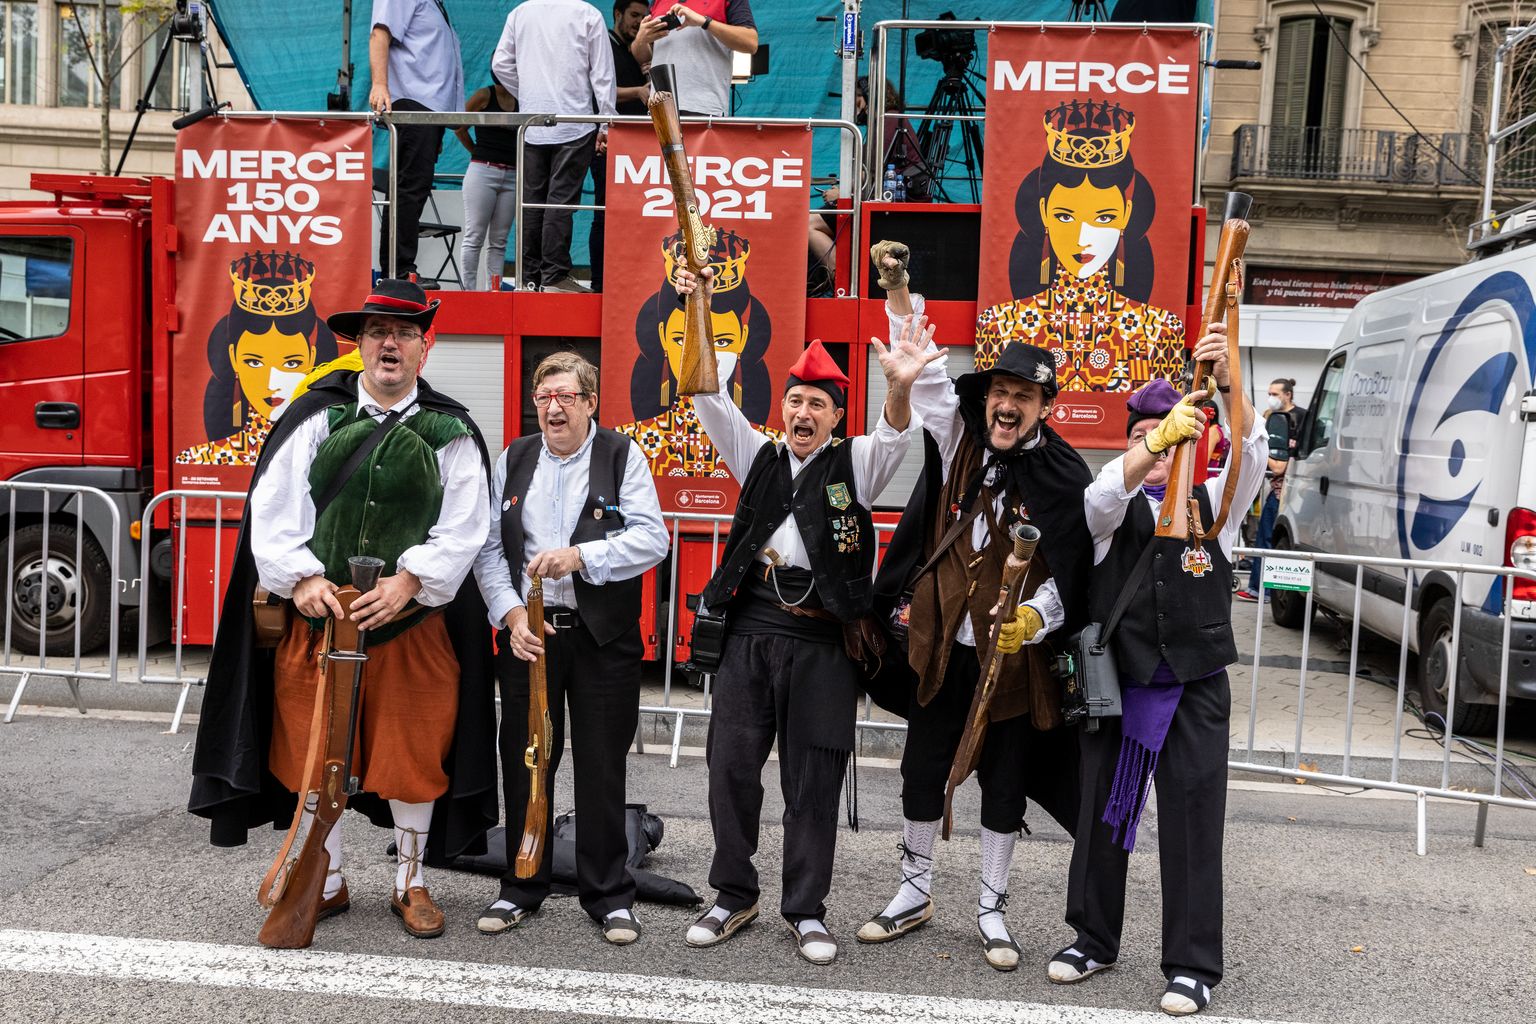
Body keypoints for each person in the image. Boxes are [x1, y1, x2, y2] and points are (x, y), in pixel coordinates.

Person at [188, 278, 497, 942]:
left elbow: (465, 527)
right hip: (320, 622)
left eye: (405, 333)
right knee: (309, 749)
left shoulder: (452, 430)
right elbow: (272, 515)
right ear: (358, 345)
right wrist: (300, 580)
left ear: (424, 346)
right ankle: (322, 880)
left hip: (410, 626)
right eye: (379, 332)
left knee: (413, 752)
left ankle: (409, 882)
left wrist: (412, 581)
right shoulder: (314, 417)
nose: (391, 344)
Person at [673, 262, 936, 966]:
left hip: (823, 638)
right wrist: (699, 306)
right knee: (730, 767)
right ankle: (732, 892)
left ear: (835, 416)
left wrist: (900, 389)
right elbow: (705, 393)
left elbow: (895, 435)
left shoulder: (858, 463)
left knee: (812, 780)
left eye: (817, 404)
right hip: (750, 627)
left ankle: (806, 909)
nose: (803, 414)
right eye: (795, 400)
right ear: (782, 406)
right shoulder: (755, 452)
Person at [856, 242, 1093, 971]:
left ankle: (991, 907)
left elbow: (1073, 568)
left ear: (1045, 407)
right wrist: (900, 291)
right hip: (941, 647)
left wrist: (1035, 621)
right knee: (922, 769)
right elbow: (918, 374)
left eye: (1024, 396)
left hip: (1014, 660)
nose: (1008, 404)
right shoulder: (961, 435)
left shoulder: (1063, 473)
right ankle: (914, 890)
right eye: (1000, 392)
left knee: (1005, 782)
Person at [1046, 333, 1266, 1016]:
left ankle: (1193, 966)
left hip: (1196, 683)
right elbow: (1097, 500)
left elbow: (1253, 455)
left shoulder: (1215, 504)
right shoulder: (1113, 507)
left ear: (1195, 438)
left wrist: (1229, 384)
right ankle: (1091, 938)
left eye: (1171, 432)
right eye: (1143, 434)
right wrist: (1149, 446)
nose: (1159, 445)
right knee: (1100, 819)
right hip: (1122, 680)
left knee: (1195, 823)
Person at [472, 351, 670, 944]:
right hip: (529, 635)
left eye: (565, 397)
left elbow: (652, 539)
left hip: (602, 637)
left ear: (589, 402)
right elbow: (488, 550)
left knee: (602, 765)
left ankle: (609, 895)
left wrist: (583, 556)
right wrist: (509, 615)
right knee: (526, 758)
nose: (552, 408)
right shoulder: (514, 458)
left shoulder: (622, 455)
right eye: (543, 398)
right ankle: (521, 883)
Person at [975, 100, 1184, 392]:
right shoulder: (999, 325)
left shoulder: (1161, 331)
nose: (1082, 237)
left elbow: (1168, 420)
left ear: (1125, 215)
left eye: (1104, 217)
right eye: (1065, 216)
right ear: (1044, 212)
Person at [491, 0, 617, 293]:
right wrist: (606, 122)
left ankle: (529, 276)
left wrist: (529, 93)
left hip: (533, 121)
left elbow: (500, 64)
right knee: (560, 202)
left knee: (532, 203)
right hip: (575, 122)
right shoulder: (587, 14)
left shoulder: (520, 13)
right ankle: (555, 275)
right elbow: (603, 75)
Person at [177, 251, 338, 465]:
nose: (272, 383)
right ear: (233, 358)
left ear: (312, 358)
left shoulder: (332, 455)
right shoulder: (204, 458)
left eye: (291, 363)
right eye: (254, 362)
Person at [369, 0, 464, 280]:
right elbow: (379, 34)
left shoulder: (437, 5)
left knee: (414, 187)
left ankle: (399, 270)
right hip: (413, 102)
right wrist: (380, 84)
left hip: (428, 109)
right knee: (408, 188)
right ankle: (399, 271)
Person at [590, 0, 651, 293]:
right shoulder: (605, 45)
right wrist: (638, 91)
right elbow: (596, 90)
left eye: (644, 16)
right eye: (634, 15)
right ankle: (600, 283)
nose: (639, 22)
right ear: (618, 14)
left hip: (641, 147)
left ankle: (632, 281)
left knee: (640, 216)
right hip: (610, 142)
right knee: (605, 213)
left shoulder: (640, 50)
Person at [1237, 378, 1306, 602]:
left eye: (1275, 394)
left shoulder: (1299, 418)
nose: (1271, 398)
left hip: (1288, 493)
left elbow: (1280, 464)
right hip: (1276, 490)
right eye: (1269, 393)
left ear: (1288, 395)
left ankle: (1264, 590)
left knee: (1270, 542)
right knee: (1264, 540)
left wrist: (1260, 450)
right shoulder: (1271, 417)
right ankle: (1260, 588)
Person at [630, 1, 757, 117]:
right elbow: (643, 58)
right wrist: (641, 39)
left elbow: (750, 42)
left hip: (705, 108)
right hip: (660, 108)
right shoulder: (657, 2)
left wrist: (704, 22)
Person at [454, 78, 519, 291]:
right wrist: (476, 151)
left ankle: (495, 292)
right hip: (483, 169)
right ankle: (469, 292)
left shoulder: (523, 96)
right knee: (475, 236)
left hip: (512, 173)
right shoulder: (485, 95)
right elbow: (459, 126)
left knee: (499, 240)